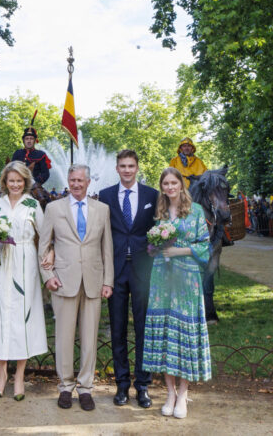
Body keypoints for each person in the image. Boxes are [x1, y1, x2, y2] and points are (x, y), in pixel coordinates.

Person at [39, 164, 113, 412]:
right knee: (64, 337)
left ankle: (85, 388)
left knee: (90, 338)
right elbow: (44, 244)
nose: (76, 184)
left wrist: (108, 281)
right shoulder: (53, 208)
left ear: (88, 182)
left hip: (93, 281)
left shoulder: (102, 210)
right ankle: (65, 386)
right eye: (72, 180)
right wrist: (48, 276)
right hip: (63, 281)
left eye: (80, 180)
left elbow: (107, 249)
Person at [143, 167, 213, 419]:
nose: (170, 187)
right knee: (165, 332)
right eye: (166, 184)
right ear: (162, 187)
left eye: (174, 183)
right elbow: (154, 243)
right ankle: (170, 393)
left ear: (181, 185)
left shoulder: (195, 211)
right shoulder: (160, 211)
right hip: (162, 276)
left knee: (184, 332)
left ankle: (183, 393)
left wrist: (179, 252)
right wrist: (156, 247)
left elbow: (205, 245)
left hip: (187, 276)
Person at [0, 161, 47, 400]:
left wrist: (47, 261)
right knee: (0, 316)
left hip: (25, 262)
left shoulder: (33, 205)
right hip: (1, 263)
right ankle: (1, 375)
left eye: (19, 180)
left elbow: (45, 236)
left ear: (25, 181)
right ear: (5, 182)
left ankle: (19, 375)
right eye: (11, 180)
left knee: (22, 316)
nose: (15, 184)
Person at [97, 150, 158, 408]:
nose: (127, 170)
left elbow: (159, 227)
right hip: (116, 269)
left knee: (144, 328)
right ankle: (121, 384)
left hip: (144, 269)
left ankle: (142, 385)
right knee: (118, 328)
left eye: (131, 166)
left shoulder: (152, 195)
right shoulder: (106, 196)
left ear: (137, 167)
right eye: (122, 166)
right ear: (117, 168)